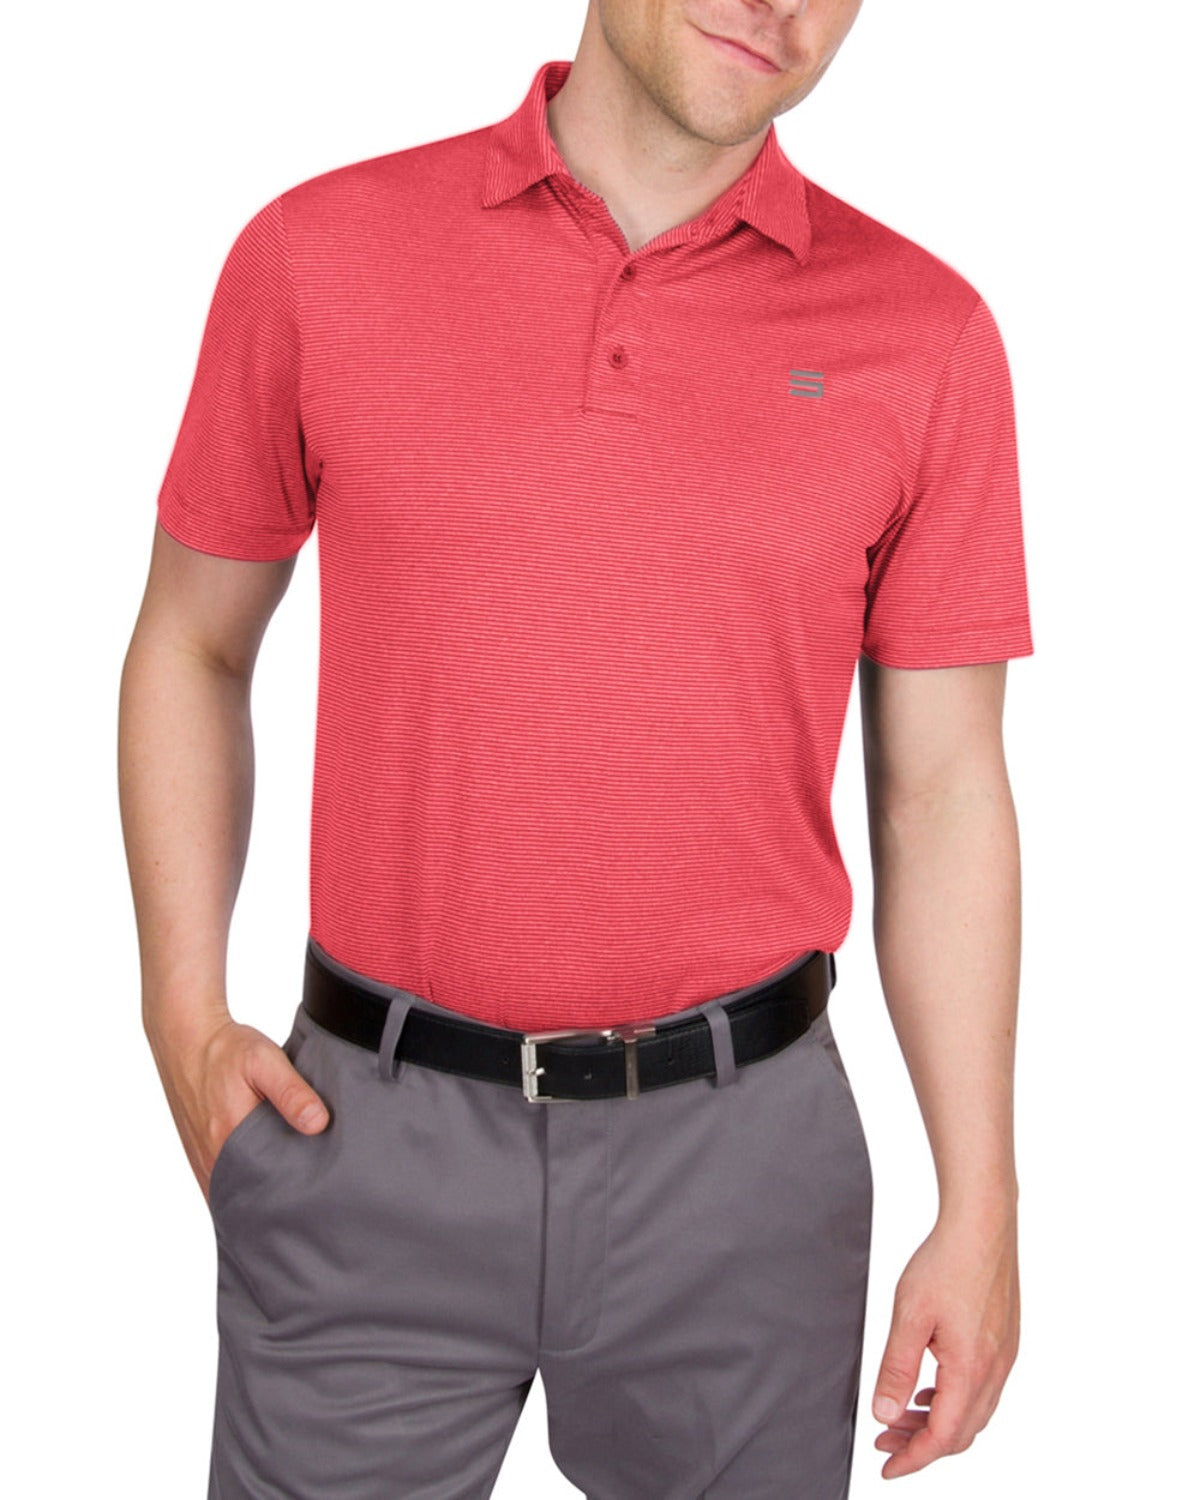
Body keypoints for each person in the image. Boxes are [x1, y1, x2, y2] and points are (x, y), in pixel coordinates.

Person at [118, 2, 1031, 1495]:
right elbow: (192, 643)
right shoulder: (319, 254)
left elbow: (943, 793)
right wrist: (180, 1017)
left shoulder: (926, 338)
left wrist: (981, 1200)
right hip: (367, 1141)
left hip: (747, 1176)